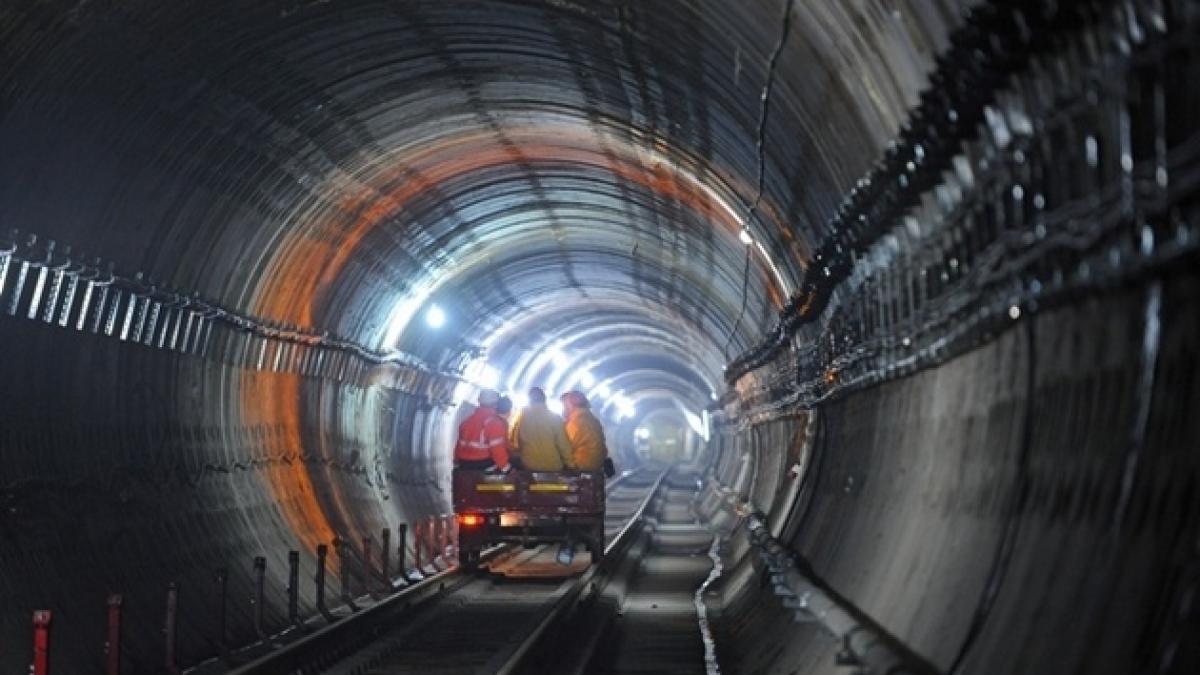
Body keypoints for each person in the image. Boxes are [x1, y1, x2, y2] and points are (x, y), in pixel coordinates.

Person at [509, 387, 574, 471]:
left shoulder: (520, 418)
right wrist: (571, 465)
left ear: (529, 400)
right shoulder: (555, 418)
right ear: (544, 399)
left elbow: (514, 443)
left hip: (529, 465)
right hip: (553, 465)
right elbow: (563, 445)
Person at [454, 389, 511, 473]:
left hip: (463, 463)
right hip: (482, 464)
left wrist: (456, 462)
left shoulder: (467, 421)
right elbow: (497, 451)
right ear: (495, 404)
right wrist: (507, 469)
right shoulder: (494, 423)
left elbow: (458, 447)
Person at [560, 390, 608, 471]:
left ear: (571, 405)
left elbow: (566, 446)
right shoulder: (591, 418)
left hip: (582, 463)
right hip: (597, 462)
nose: (564, 408)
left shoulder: (575, 422)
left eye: (565, 405)